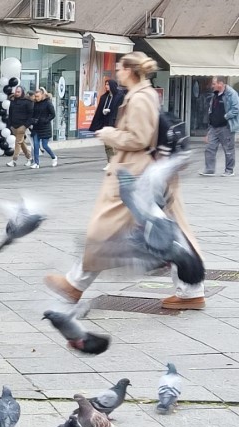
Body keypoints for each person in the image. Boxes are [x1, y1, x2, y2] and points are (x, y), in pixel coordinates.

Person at [44, 51, 206, 310]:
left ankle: (75, 284)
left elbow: (139, 138)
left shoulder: (140, 98)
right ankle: (191, 290)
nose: (116, 72)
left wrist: (110, 134)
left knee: (108, 231)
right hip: (145, 174)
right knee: (167, 233)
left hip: (137, 176)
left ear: (130, 71)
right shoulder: (141, 95)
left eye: (119, 68)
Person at [199, 76, 239, 177]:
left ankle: (229, 170)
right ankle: (209, 169)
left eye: (214, 84)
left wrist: (226, 116)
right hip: (214, 127)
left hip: (226, 127)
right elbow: (211, 109)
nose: (212, 86)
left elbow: (237, 108)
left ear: (220, 84)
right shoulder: (215, 94)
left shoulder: (231, 94)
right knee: (209, 148)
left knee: (228, 149)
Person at [89, 79, 125, 170]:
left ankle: (117, 161)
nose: (106, 86)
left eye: (108, 85)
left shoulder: (120, 96)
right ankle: (110, 162)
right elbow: (99, 111)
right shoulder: (104, 97)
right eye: (105, 85)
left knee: (115, 143)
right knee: (107, 143)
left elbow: (122, 109)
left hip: (115, 122)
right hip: (106, 122)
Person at [5, 85, 34, 167]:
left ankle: (14, 160)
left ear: (22, 92)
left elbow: (31, 114)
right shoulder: (13, 101)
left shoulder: (28, 102)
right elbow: (10, 113)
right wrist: (9, 124)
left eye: (18, 92)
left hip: (22, 125)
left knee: (17, 142)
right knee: (21, 142)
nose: (16, 93)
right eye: (16, 92)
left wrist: (26, 125)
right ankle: (29, 158)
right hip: (14, 125)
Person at [30, 87, 57, 169]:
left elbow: (53, 114)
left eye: (38, 96)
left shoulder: (48, 103)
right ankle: (36, 162)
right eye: (35, 96)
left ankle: (54, 157)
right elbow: (33, 113)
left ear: (42, 95)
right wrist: (32, 120)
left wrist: (45, 120)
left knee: (45, 145)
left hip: (45, 127)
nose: (36, 98)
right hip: (36, 126)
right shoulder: (35, 103)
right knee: (36, 144)